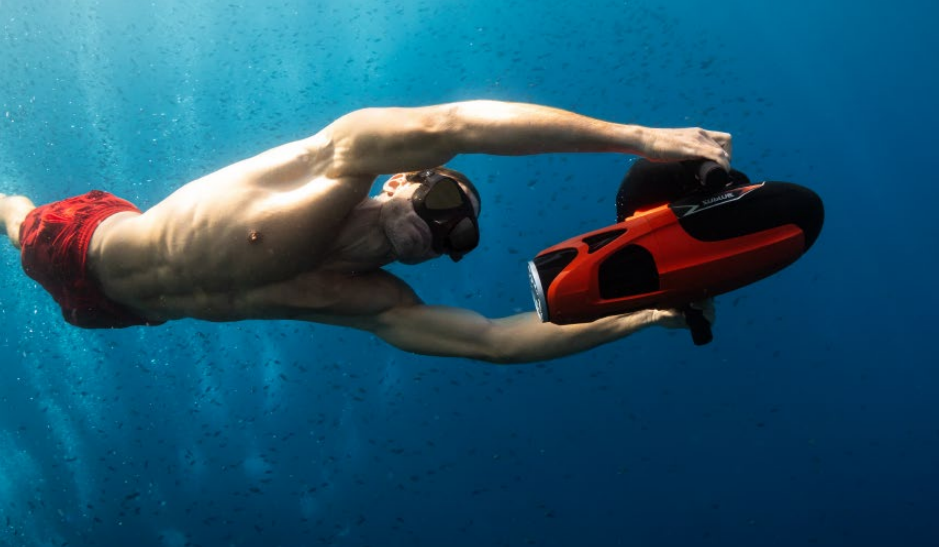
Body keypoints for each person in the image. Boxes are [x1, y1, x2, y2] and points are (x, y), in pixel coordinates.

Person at [0, 100, 731, 363]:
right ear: (404, 176)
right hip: (81, 238)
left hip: (112, 314)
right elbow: (457, 125)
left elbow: (493, 342)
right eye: (446, 198)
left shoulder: (372, 299)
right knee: (11, 219)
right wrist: (638, 136)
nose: (444, 232)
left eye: (461, 239)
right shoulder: (343, 157)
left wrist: (642, 312)